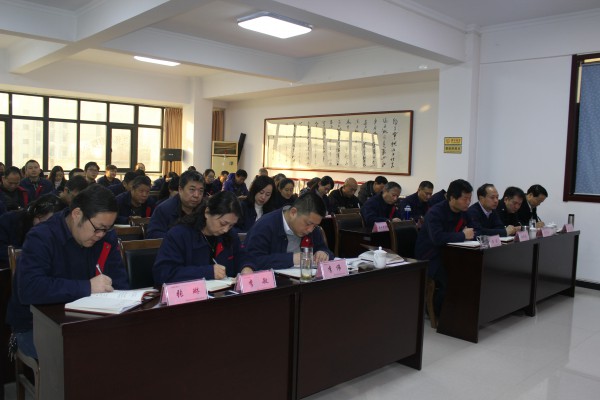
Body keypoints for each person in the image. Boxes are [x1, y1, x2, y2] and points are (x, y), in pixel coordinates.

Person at [6, 185, 129, 359]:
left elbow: (120, 283)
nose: (101, 235)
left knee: (128, 347)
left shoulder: (106, 237)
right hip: (35, 326)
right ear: (77, 214)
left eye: (107, 229)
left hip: (87, 322)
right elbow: (29, 289)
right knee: (87, 358)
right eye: (98, 228)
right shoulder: (41, 237)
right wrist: (87, 287)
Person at [153, 191, 254, 285]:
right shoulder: (179, 235)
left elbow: (242, 256)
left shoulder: (229, 235)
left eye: (231, 225)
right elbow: (163, 274)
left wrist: (246, 267)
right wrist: (207, 272)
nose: (226, 230)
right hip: (189, 295)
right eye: (223, 223)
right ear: (207, 212)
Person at [415, 179, 476, 318]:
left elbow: (475, 229)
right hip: (430, 256)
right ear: (452, 198)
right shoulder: (435, 212)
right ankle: (438, 313)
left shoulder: (464, 212)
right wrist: (462, 235)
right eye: (465, 199)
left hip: (452, 253)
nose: (468, 202)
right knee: (451, 279)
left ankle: (461, 311)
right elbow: (437, 238)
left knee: (471, 273)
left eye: (470, 199)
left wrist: (470, 234)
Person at [244, 192, 333, 269]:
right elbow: (252, 260)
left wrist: (323, 253)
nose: (310, 230)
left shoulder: (312, 228)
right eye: (308, 223)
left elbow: (325, 249)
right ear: (293, 213)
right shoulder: (264, 226)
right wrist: (292, 259)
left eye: (315, 226)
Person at [0, 194, 66, 268]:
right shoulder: (9, 220)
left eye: (50, 224)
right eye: (40, 219)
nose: (44, 227)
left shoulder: (60, 230)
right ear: (34, 213)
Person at [146, 170, 205, 239]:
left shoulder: (205, 209)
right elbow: (153, 235)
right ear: (180, 190)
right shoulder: (164, 209)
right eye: (192, 190)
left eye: (201, 191)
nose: (196, 195)